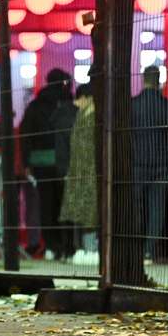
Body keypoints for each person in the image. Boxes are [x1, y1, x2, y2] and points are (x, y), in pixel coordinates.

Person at [19, 68, 78, 260]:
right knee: (65, 204)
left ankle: (52, 245)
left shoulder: (35, 106)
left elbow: (25, 134)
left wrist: (27, 161)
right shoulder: (69, 103)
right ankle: (67, 246)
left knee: (46, 205)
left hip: (41, 162)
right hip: (66, 160)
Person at [130, 65, 168, 263]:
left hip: (137, 165)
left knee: (136, 208)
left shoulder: (132, 106)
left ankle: (135, 249)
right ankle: (149, 250)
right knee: (157, 209)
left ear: (143, 79)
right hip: (162, 167)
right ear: (159, 81)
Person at [60, 82, 98, 264]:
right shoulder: (82, 115)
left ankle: (91, 248)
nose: (77, 103)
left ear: (88, 98)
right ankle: (83, 248)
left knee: (91, 211)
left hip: (91, 170)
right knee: (81, 211)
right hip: (79, 170)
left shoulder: (95, 117)